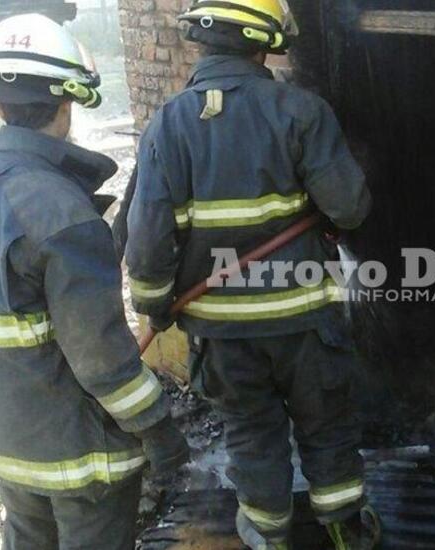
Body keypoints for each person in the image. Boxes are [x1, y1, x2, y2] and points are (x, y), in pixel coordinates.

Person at [123, 1, 377, 548]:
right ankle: (346, 531)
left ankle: (268, 535)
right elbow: (349, 208)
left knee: (252, 434)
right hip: (305, 320)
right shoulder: (302, 111)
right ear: (265, 44)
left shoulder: (167, 124)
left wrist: (155, 305)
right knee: (327, 425)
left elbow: (146, 244)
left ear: (202, 41)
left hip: (222, 333)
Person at [0, 14, 189, 550]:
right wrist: (158, 428)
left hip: (6, 445)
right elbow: (104, 362)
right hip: (81, 462)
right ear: (67, 103)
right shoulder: (65, 215)